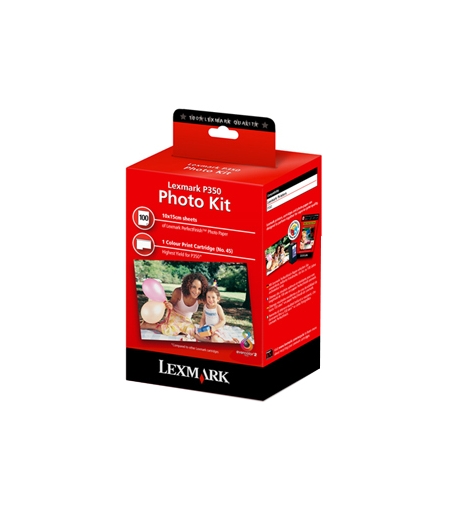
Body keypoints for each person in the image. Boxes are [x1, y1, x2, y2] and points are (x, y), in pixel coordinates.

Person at [140, 272, 208, 338]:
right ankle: (150, 325)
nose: (196, 291)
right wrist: (169, 305)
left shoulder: (200, 298)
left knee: (190, 330)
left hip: (186, 320)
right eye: (194, 287)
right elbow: (171, 303)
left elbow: (211, 306)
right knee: (171, 331)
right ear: (188, 285)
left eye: (199, 288)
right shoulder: (178, 292)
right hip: (174, 315)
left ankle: (167, 326)